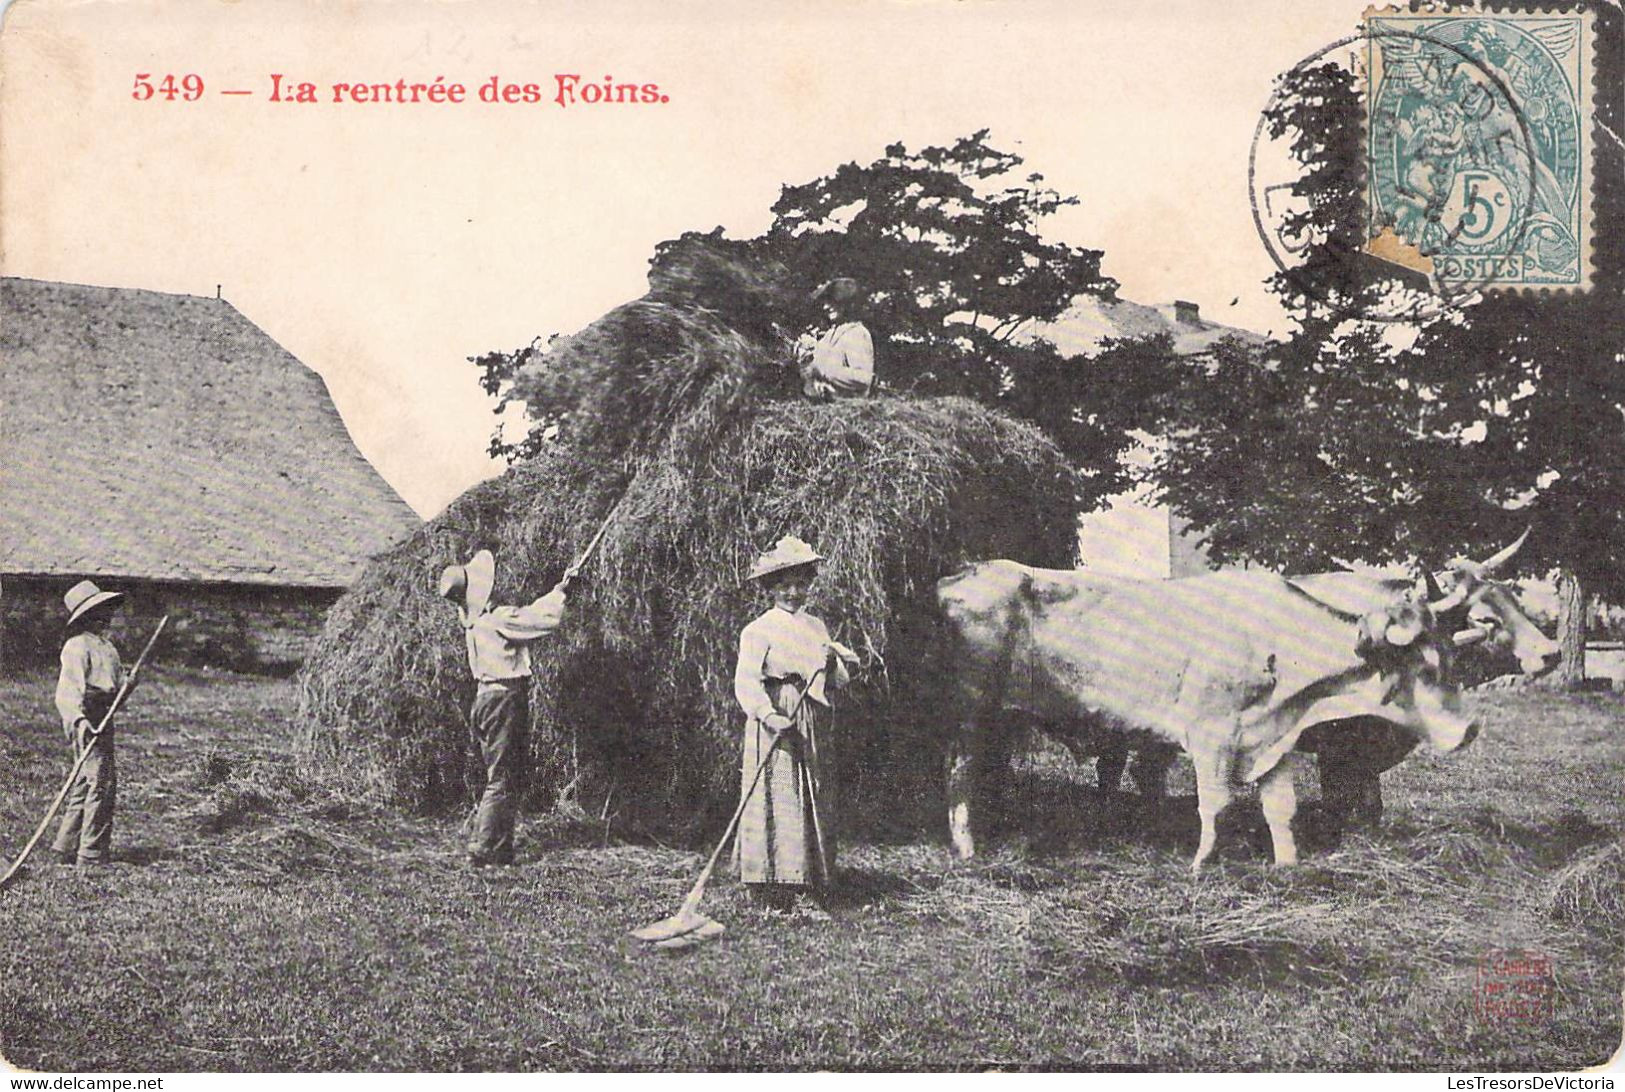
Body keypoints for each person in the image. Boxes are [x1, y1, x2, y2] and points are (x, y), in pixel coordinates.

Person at [732, 535, 859, 915]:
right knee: (780, 792)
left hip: (809, 714)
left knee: (811, 793)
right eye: (784, 584)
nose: (793, 592)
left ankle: (809, 879)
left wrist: (832, 660)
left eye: (801, 583)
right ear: (770, 588)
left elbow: (837, 679)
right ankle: (774, 883)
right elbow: (746, 681)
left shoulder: (816, 626)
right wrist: (769, 715)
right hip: (775, 716)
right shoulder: (758, 630)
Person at [437, 549, 567, 867]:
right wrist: (560, 593)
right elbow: (542, 620)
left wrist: (556, 591)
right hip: (504, 700)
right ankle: (484, 848)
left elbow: (525, 616)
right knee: (504, 776)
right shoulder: (497, 619)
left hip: (484, 701)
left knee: (503, 774)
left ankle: (499, 846)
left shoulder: (475, 626)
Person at [52, 580, 132, 867]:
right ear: (85, 616)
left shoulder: (108, 648)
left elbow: (117, 688)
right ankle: (91, 854)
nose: (106, 616)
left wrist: (129, 684)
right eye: (99, 611)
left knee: (87, 782)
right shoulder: (76, 646)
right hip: (86, 719)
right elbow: (68, 691)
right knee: (101, 784)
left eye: (107, 610)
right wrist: (79, 720)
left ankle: (64, 847)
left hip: (104, 718)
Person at [796, 278, 876, 399]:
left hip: (844, 412)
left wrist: (821, 370)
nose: (826, 307)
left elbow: (863, 379)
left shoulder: (856, 333)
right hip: (818, 407)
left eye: (833, 302)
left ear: (848, 304)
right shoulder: (831, 334)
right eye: (825, 302)